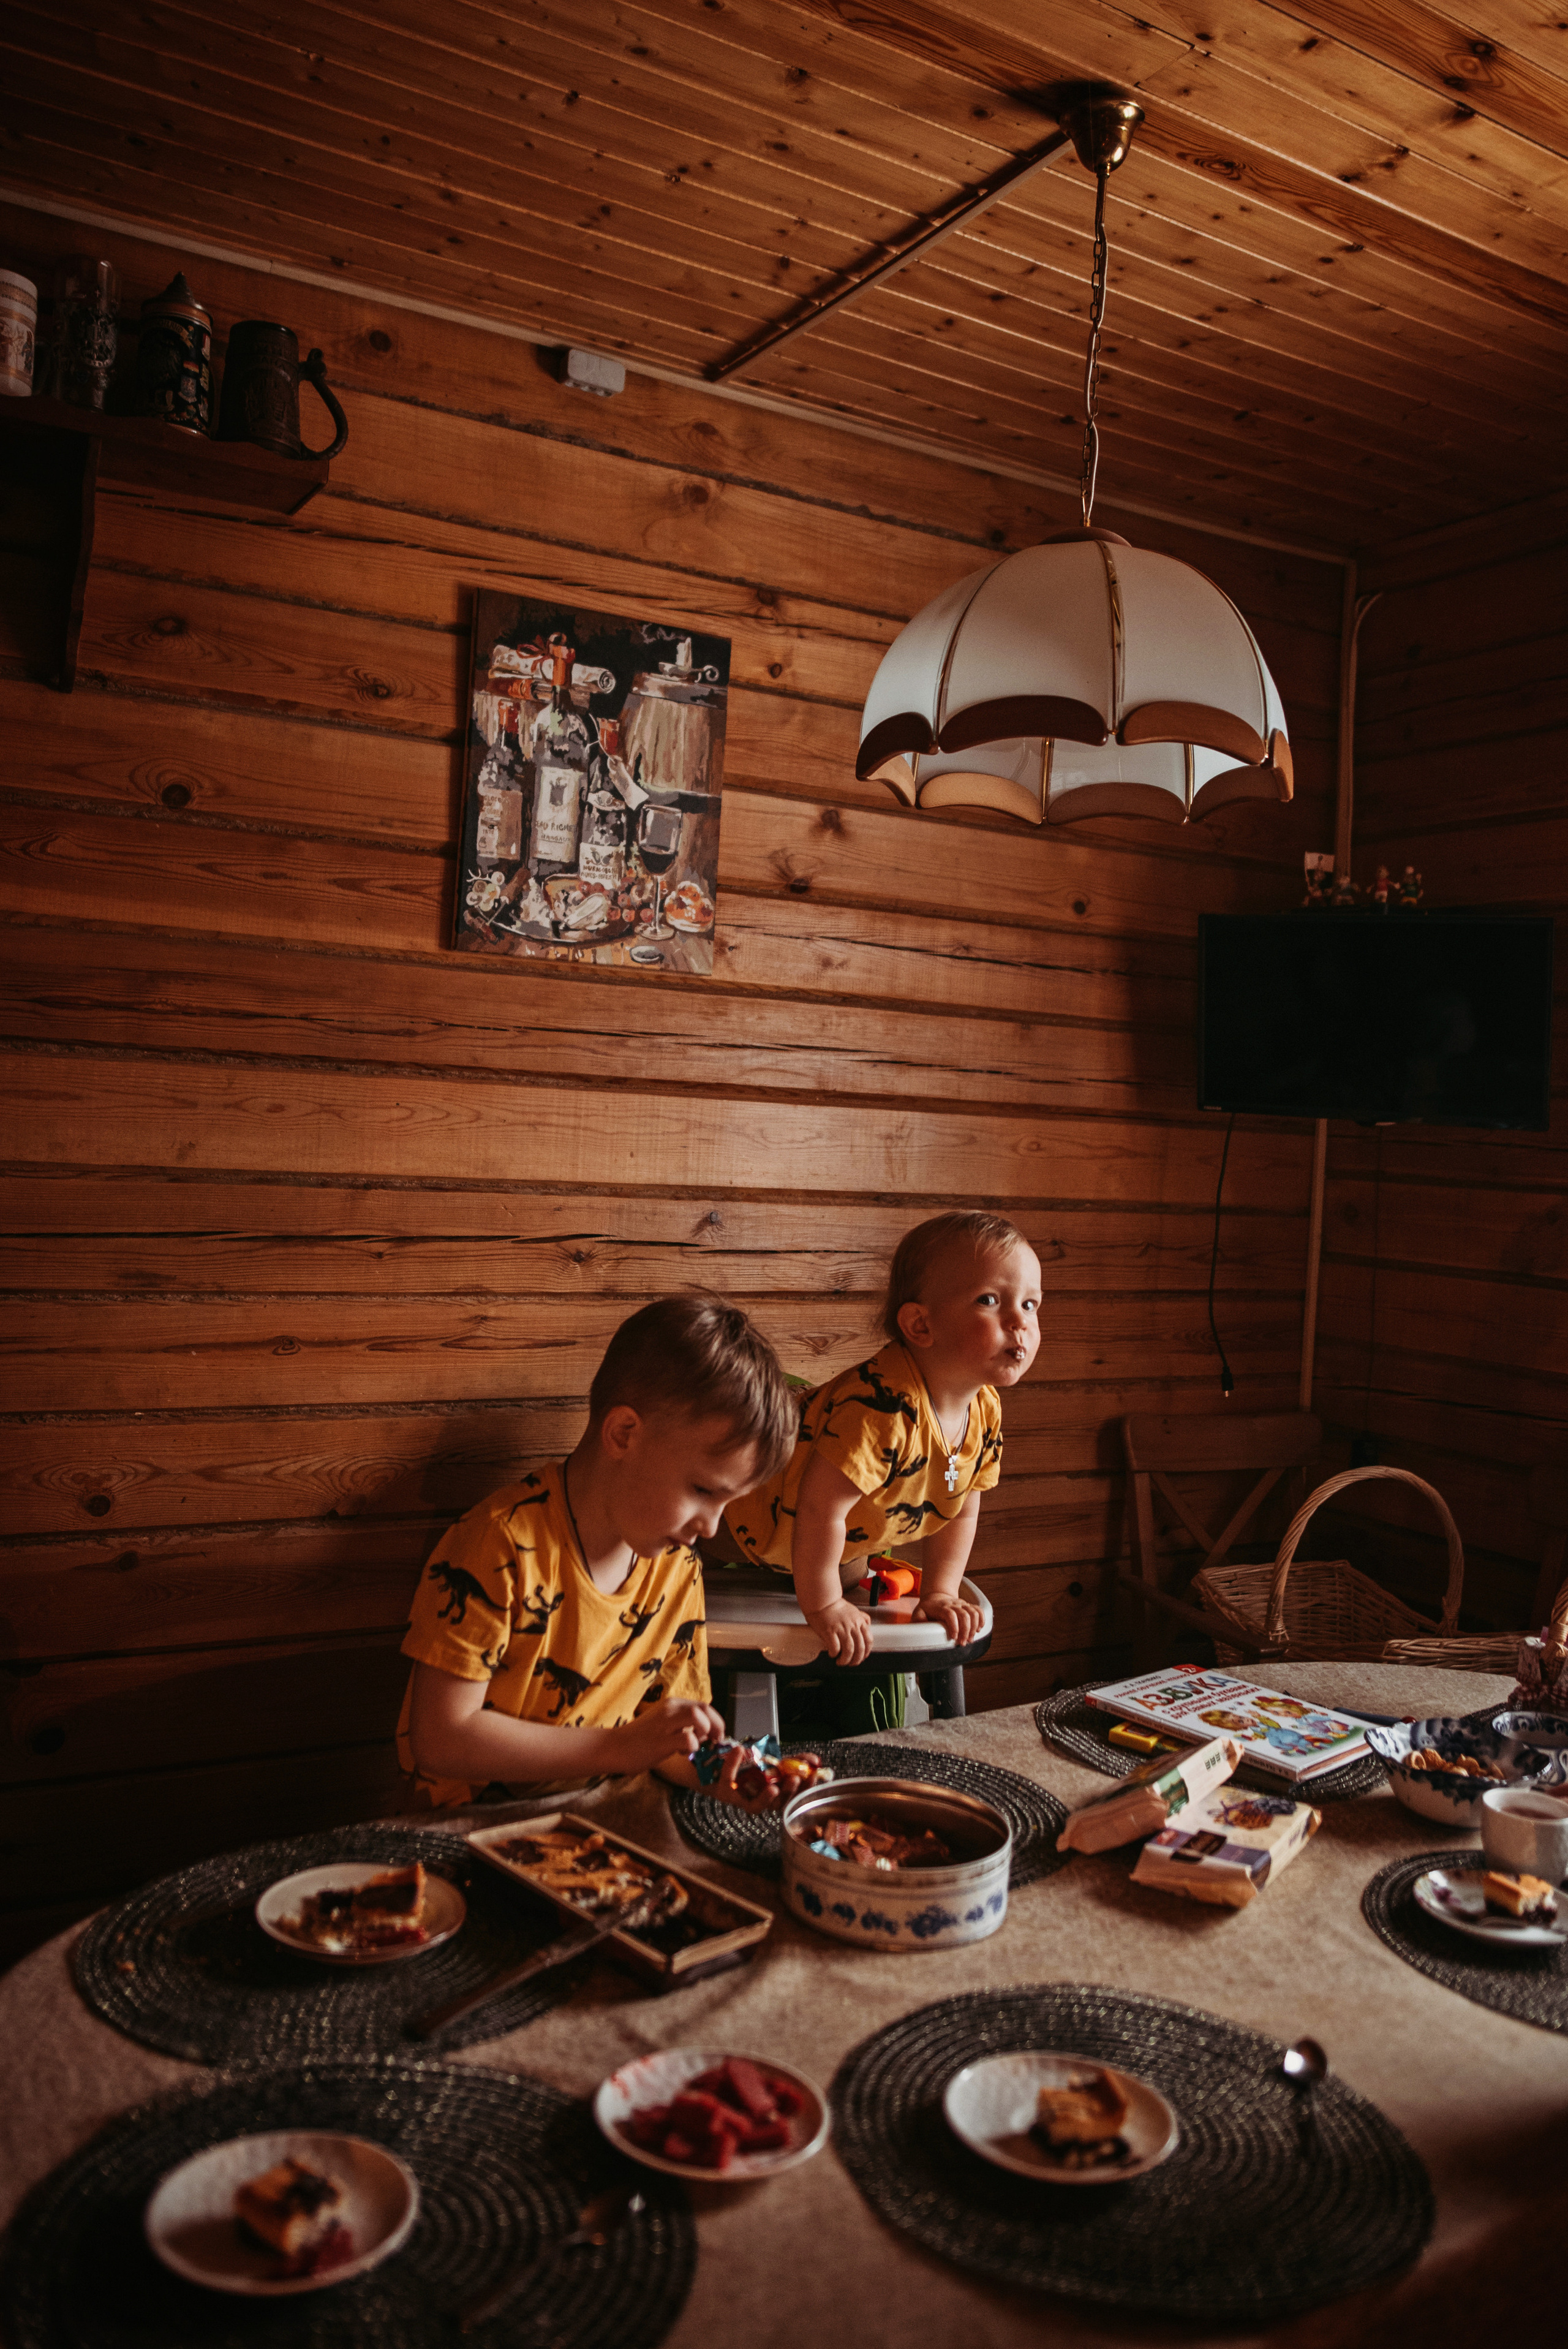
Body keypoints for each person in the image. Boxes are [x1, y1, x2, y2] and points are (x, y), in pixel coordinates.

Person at [397, 1292, 797, 1807]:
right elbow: (441, 1740)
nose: (711, 1525)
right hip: (469, 1833)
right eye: (702, 1490)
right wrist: (616, 1748)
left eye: (728, 1502)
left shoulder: (677, 1568)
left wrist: (719, 1776)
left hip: (604, 1823)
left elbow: (664, 1745)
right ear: (624, 1433)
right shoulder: (500, 1545)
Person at [707, 1211, 1042, 1665]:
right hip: (752, 1509)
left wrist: (939, 1591)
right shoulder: (879, 1407)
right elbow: (819, 1507)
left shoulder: (984, 1409)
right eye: (989, 1300)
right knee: (681, 1542)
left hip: (840, 1541)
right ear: (920, 1326)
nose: (1020, 1322)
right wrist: (823, 1606)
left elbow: (962, 1506)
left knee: (847, 1583)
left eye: (1030, 1304)